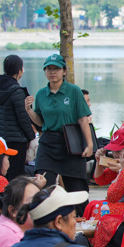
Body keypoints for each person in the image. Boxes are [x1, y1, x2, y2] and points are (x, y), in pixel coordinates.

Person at [24, 54, 92, 207]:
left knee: (77, 190)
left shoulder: (73, 91)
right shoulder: (42, 94)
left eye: (56, 69)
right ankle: (45, 219)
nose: (52, 72)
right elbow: (41, 121)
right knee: (43, 184)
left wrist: (89, 144)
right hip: (48, 142)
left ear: (64, 71)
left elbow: (82, 119)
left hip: (70, 142)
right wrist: (28, 110)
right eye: (49, 69)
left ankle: (84, 221)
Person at [0, 55, 36, 182]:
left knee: (0, 174)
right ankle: (13, 201)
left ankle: (0, 200)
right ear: (19, 70)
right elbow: (23, 118)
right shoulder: (16, 91)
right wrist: (32, 137)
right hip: (15, 140)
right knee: (15, 176)